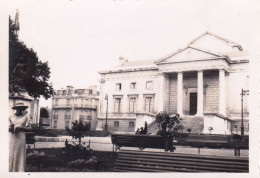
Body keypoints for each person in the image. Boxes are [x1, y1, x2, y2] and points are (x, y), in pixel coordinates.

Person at [9, 102, 31, 172]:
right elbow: (7, 128)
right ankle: (11, 170)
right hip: (13, 137)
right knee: (12, 153)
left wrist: (21, 128)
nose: (20, 110)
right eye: (18, 108)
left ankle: (20, 170)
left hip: (21, 137)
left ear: (23, 109)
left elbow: (30, 128)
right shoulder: (11, 117)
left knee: (20, 154)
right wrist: (10, 128)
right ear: (16, 109)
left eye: (21, 108)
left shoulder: (26, 117)